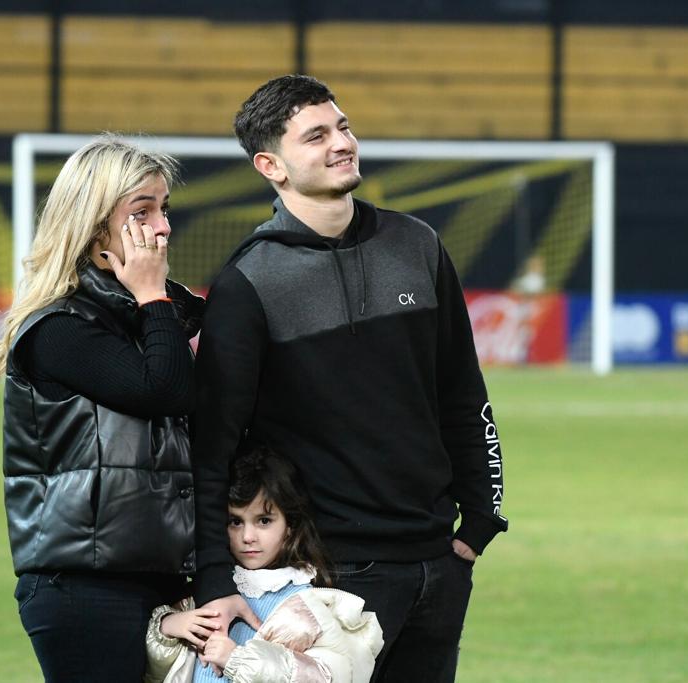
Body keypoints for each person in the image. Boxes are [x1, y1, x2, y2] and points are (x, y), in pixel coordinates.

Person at [191, 75, 508, 682]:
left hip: (438, 564)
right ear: (271, 165)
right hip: (326, 574)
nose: (342, 142)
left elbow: (464, 396)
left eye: (343, 126)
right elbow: (214, 449)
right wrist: (212, 576)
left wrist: (481, 524)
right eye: (316, 136)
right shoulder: (247, 283)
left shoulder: (417, 245)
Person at [0, 135, 211, 683]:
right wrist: (155, 295)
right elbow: (162, 390)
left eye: (164, 209)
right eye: (142, 212)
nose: (162, 228)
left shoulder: (141, 315)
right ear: (94, 229)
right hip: (85, 588)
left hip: (160, 578)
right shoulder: (57, 328)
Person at [146, 445, 383, 683]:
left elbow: (327, 676)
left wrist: (237, 660)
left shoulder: (305, 602)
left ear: (290, 525)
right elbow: (159, 672)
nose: (248, 536)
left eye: (264, 520)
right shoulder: (212, 587)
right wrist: (168, 627)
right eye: (235, 522)